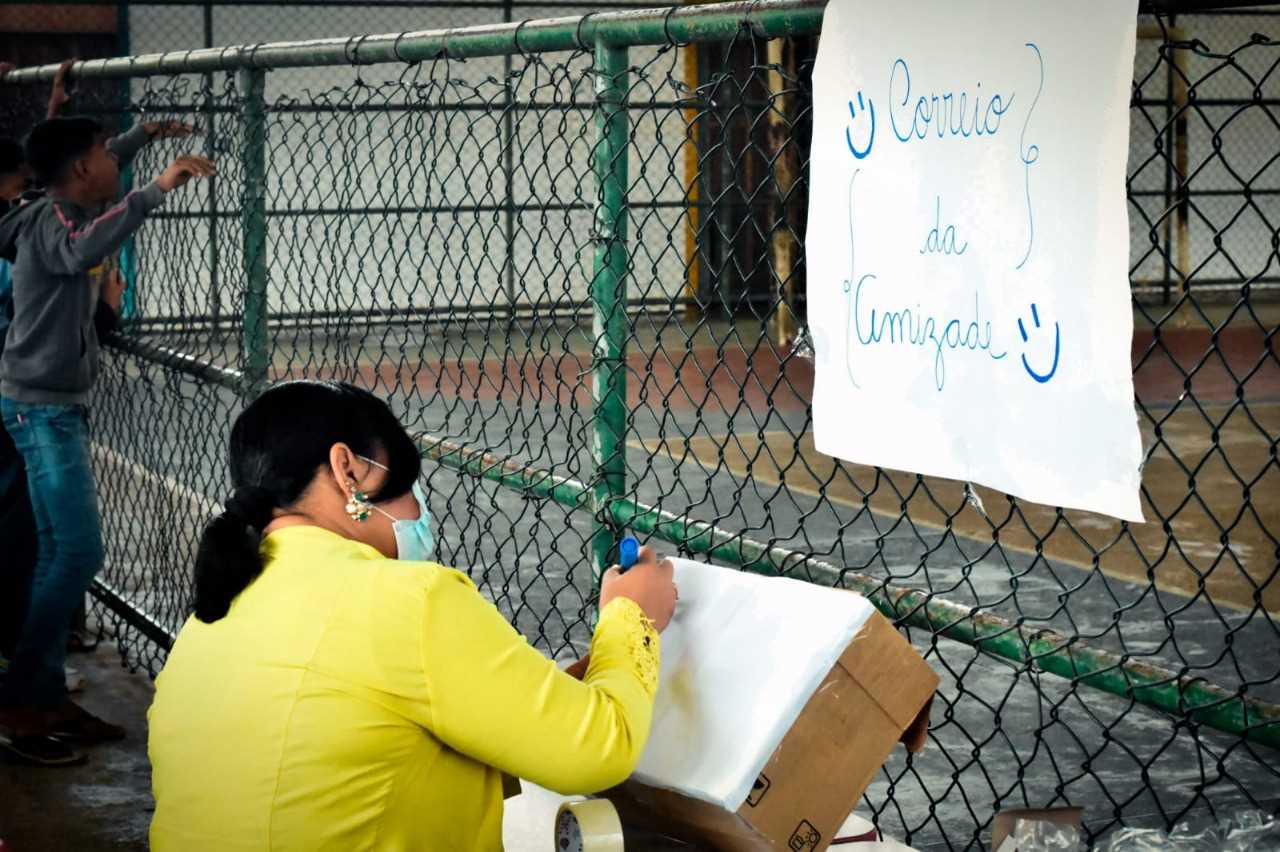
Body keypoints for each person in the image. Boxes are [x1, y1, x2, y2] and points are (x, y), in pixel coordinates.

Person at [148, 379, 678, 850]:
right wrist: (632, 616)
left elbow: (360, 735)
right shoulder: (409, 599)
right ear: (347, 469)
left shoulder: (211, 617)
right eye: (406, 485)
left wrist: (556, 690)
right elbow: (597, 751)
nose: (419, 512)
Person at [0, 114, 215, 766]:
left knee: (55, 554)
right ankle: (20, 703)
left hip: (45, 405)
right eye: (103, 154)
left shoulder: (52, 203)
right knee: (79, 554)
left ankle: (38, 695)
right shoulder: (55, 223)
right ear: (81, 170)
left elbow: (83, 176)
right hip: (42, 412)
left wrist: (140, 136)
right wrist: (155, 186)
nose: (110, 162)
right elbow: (83, 246)